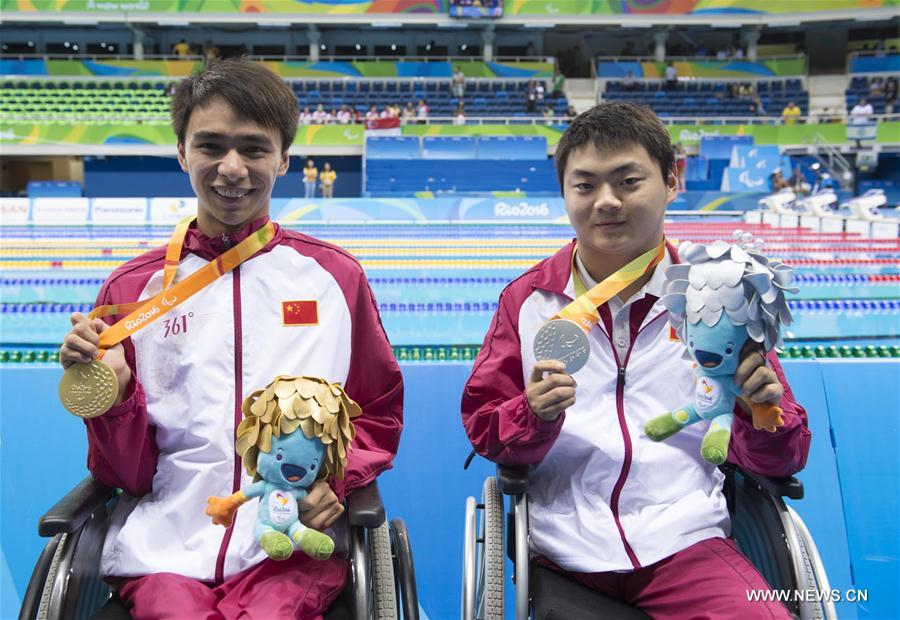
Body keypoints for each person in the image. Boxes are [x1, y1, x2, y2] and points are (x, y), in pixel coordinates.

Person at [58, 58, 403, 619]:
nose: (232, 168)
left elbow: (379, 409)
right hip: (164, 549)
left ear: (284, 158)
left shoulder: (335, 279)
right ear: (182, 153)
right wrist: (113, 398)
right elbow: (127, 475)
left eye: (254, 148)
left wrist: (336, 479)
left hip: (290, 544)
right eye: (211, 146)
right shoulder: (131, 292)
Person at [461, 101, 809, 619]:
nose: (606, 201)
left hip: (687, 542)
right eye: (585, 186)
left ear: (671, 181)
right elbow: (485, 426)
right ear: (564, 193)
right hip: (564, 547)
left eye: (627, 182)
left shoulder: (718, 296)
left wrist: (760, 414)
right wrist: (533, 416)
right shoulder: (528, 301)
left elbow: (785, 459)